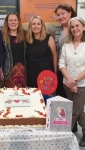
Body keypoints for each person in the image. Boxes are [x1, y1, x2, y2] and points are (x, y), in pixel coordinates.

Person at [59, 16, 85, 147]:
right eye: (72, 27)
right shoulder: (66, 45)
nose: (75, 29)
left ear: (83, 27)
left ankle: (64, 137)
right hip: (67, 85)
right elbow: (61, 63)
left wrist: (75, 81)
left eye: (77, 26)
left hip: (82, 85)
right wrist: (70, 81)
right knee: (79, 111)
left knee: (73, 113)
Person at [54, 3, 77, 132]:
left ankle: (76, 127)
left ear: (70, 13)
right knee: (63, 98)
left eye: (63, 13)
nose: (61, 16)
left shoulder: (76, 28)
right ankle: (66, 125)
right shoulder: (56, 31)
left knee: (77, 101)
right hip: (61, 70)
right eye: (58, 14)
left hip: (76, 71)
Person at [26, 15, 57, 88]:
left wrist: (55, 73)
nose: (36, 26)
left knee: (46, 97)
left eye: (38, 24)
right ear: (30, 26)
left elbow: (55, 55)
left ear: (42, 26)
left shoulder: (49, 38)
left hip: (46, 74)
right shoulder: (27, 40)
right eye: (33, 24)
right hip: (32, 74)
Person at [1, 12, 27, 87]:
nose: (13, 22)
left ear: (18, 21)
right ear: (7, 22)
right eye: (10, 20)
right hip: (8, 73)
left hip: (24, 73)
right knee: (9, 97)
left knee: (24, 96)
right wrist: (0, 71)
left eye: (15, 20)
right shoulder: (2, 36)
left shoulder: (25, 35)